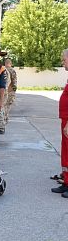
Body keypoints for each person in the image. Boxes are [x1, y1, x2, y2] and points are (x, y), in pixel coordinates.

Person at [51, 49, 68, 198]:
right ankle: (66, 181)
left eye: (64, 60)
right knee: (65, 152)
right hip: (65, 120)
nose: (62, 62)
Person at [0, 59, 11, 134]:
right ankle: (1, 126)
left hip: (0, 93)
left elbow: (2, 83)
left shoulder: (1, 69)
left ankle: (1, 128)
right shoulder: (5, 70)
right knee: (1, 109)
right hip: (2, 92)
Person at [4, 58, 18, 125]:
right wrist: (14, 89)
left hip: (3, 90)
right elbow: (14, 81)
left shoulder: (2, 70)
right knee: (8, 105)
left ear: (5, 63)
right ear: (11, 63)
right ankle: (5, 118)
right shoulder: (12, 71)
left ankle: (3, 118)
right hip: (10, 90)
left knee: (3, 105)